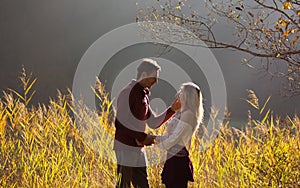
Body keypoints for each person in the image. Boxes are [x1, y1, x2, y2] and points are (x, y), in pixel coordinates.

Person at [113, 58, 181, 188]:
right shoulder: (128, 92)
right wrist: (143, 137)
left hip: (139, 148)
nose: (156, 82)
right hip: (126, 148)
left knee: (143, 184)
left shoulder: (143, 94)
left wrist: (172, 110)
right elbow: (119, 124)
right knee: (123, 185)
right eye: (153, 78)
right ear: (144, 75)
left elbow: (153, 123)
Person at [153, 82, 204, 188]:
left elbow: (175, 138)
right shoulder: (182, 112)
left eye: (181, 92)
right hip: (173, 158)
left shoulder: (189, 114)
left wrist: (154, 141)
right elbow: (172, 136)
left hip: (178, 161)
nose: (179, 94)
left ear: (187, 96)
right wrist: (154, 139)